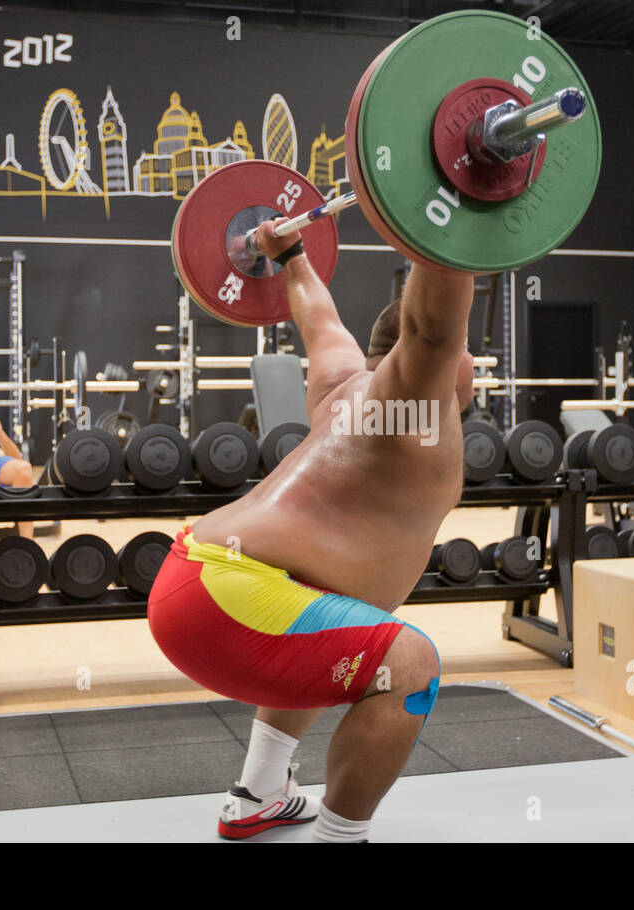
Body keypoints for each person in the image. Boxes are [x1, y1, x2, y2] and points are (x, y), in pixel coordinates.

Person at [146, 218, 476, 843]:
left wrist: (290, 254)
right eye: (463, 352)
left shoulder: (340, 386)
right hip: (225, 598)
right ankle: (339, 839)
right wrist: (452, 225)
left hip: (200, 578)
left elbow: (318, 317)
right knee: (411, 668)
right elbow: (433, 329)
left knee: (343, 626)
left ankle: (258, 793)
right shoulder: (412, 400)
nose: (470, 362)